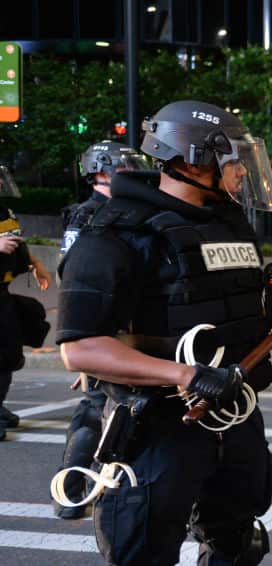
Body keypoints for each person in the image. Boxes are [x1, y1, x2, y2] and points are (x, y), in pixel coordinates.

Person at [56, 100, 272, 565]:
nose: (243, 172)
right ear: (193, 159)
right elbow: (80, 349)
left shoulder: (228, 225)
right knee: (145, 552)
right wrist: (184, 375)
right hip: (159, 425)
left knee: (239, 544)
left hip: (234, 418)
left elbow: (219, 315)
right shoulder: (116, 235)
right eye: (233, 160)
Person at [54, 140, 151, 519]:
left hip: (116, 327)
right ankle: (70, 492)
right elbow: (73, 277)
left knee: (108, 411)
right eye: (125, 168)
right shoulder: (88, 215)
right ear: (100, 172)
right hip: (102, 327)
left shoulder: (119, 210)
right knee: (95, 412)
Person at [0, 165, 51, 442]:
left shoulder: (4, 210)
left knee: (10, 354)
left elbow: (18, 242)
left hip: (3, 293)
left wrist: (37, 265)